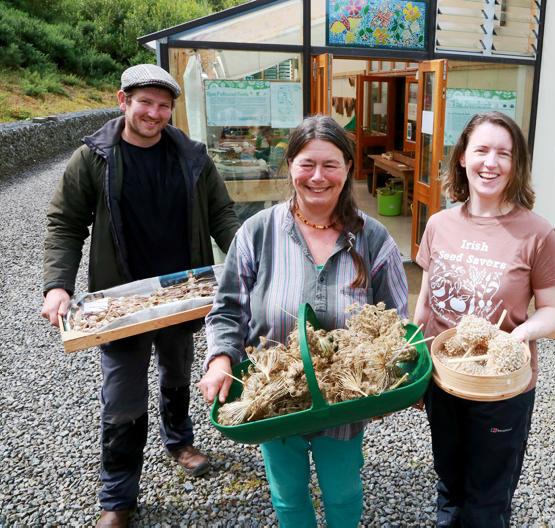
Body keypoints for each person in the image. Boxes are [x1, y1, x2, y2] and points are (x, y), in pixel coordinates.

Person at [41, 64, 241, 527]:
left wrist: (250, 265)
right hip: (121, 300)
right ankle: (118, 498)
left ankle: (180, 442)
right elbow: (65, 223)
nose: (154, 113)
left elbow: (222, 215)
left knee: (178, 372)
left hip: (184, 292)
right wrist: (57, 285)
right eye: (145, 103)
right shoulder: (93, 157)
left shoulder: (192, 156)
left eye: (163, 106)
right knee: (122, 394)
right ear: (123, 101)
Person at [197, 115, 409, 528]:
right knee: (287, 494)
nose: (317, 177)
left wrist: (391, 377)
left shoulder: (372, 238)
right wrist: (221, 358)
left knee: (343, 491)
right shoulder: (257, 233)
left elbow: (397, 321)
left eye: (330, 165)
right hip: (273, 396)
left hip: (344, 401)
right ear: (290, 164)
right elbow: (227, 308)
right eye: (307, 164)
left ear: (348, 169)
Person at [414, 111, 555, 527]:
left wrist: (521, 334)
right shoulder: (439, 224)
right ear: (463, 156)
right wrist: (417, 365)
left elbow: (552, 309)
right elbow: (425, 303)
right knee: (449, 485)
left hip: (502, 386)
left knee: (488, 499)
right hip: (445, 381)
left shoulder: (537, 234)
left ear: (516, 165)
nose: (491, 162)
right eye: (481, 150)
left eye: (504, 153)